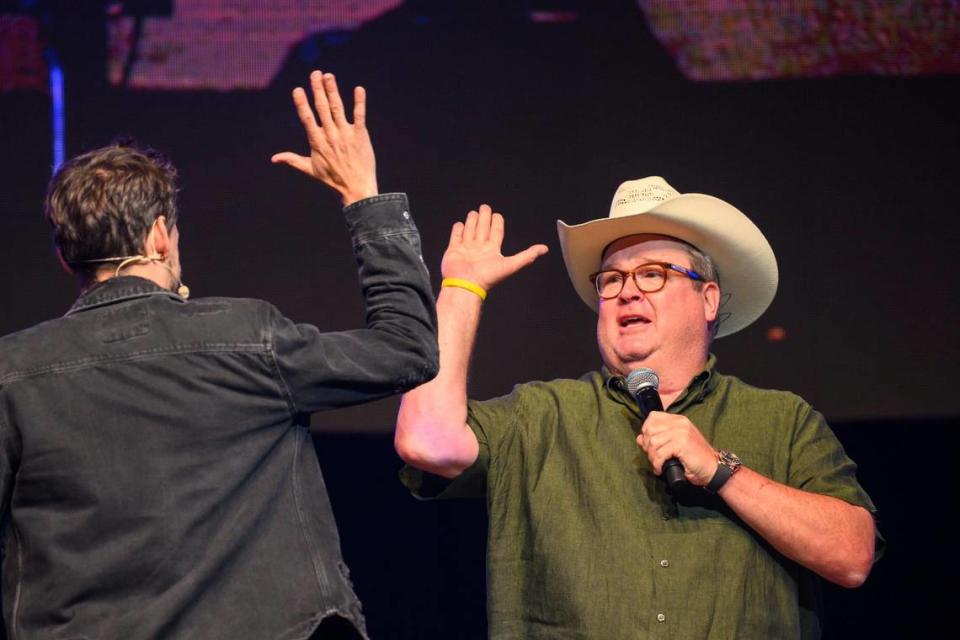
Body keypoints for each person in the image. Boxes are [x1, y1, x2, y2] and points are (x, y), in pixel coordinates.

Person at [0, 71, 437, 639]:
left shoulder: (13, 373)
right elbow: (406, 348)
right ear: (161, 235)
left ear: (68, 258)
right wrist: (363, 194)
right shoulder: (246, 338)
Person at [395, 176, 880, 639]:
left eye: (652, 274)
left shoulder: (782, 420)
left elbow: (852, 556)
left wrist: (720, 470)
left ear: (708, 298)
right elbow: (425, 440)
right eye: (611, 278)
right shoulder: (541, 416)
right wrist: (461, 291)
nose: (627, 290)